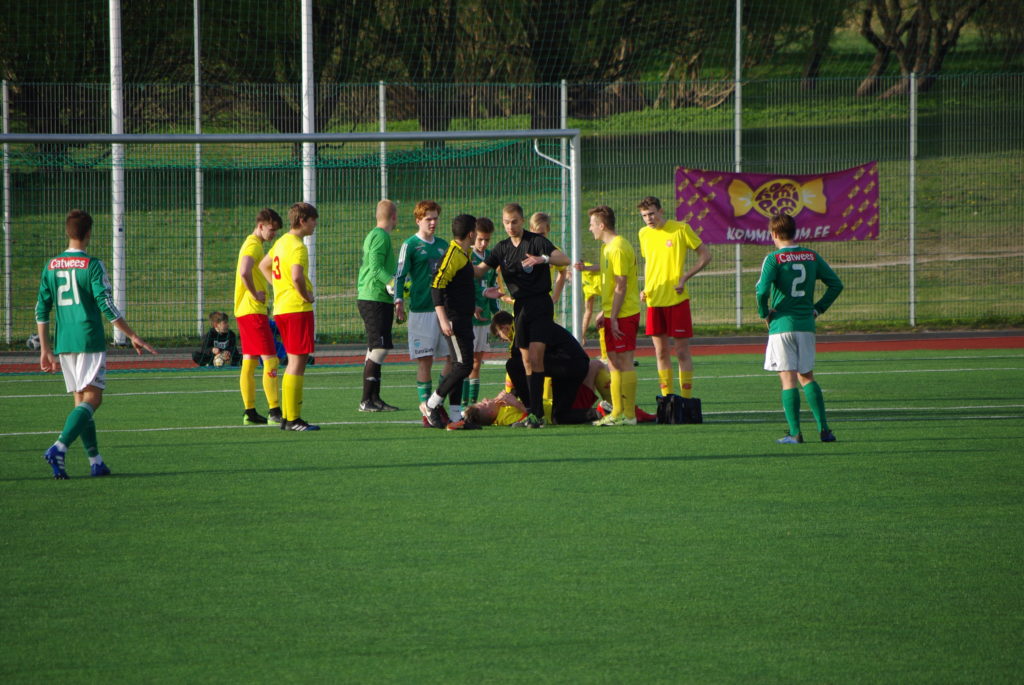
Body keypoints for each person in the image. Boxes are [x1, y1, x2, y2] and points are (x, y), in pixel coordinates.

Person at [34, 209, 157, 479]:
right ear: (89, 233)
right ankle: (59, 447)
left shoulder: (51, 266)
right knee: (93, 398)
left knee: (80, 401)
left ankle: (95, 461)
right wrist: (132, 335)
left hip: (64, 341)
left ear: (67, 232)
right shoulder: (92, 265)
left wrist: (45, 349)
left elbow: (41, 309)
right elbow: (106, 304)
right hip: (88, 338)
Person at [465, 311, 656, 426]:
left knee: (515, 364)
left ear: (505, 328)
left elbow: (522, 373)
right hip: (571, 366)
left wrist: (522, 404)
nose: (484, 400)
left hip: (567, 365)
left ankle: (534, 411)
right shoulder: (529, 324)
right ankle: (615, 410)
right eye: (482, 404)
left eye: (502, 336)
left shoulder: (521, 337)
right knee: (561, 414)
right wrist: (512, 397)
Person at [475, 202, 570, 428]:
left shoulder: (536, 241)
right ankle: (533, 412)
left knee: (536, 357)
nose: (510, 226)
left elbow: (564, 259)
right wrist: (457, 259)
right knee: (526, 360)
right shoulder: (502, 248)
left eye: (514, 222)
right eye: (506, 223)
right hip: (520, 308)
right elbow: (479, 270)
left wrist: (543, 259)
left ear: (522, 221)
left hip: (540, 304)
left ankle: (538, 414)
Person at [755, 212, 844, 444]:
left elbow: (762, 291)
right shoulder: (811, 256)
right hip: (806, 324)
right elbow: (836, 284)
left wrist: (764, 313)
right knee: (807, 376)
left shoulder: (773, 259)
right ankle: (825, 430)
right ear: (794, 232)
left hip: (782, 325)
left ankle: (795, 433)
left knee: (788, 379)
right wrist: (818, 308)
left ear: (774, 233)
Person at [636, 196, 712, 398]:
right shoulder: (643, 233)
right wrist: (645, 288)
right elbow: (650, 262)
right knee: (660, 352)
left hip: (677, 300)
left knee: (681, 352)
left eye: (651, 213)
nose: (649, 218)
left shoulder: (681, 229)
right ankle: (667, 398)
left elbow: (706, 255)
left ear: (661, 211)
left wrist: (685, 277)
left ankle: (685, 399)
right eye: (644, 215)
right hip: (654, 301)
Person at [576, 206, 641, 426]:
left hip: (624, 313)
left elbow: (621, 285)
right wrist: (586, 268)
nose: (590, 228)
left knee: (625, 361)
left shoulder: (619, 247)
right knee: (612, 362)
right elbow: (608, 274)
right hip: (613, 312)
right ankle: (617, 412)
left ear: (602, 225)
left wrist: (613, 317)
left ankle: (629, 415)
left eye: (592, 224)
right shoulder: (607, 248)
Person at [259, 201, 320, 431]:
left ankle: (287, 416)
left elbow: (264, 265)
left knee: (293, 362)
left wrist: (279, 287)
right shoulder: (297, 246)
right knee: (297, 362)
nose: (315, 225)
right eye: (313, 220)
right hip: (296, 309)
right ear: (302, 221)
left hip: (282, 309)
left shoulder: (282, 241)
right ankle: (293, 419)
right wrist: (305, 295)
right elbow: (296, 276)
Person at [393, 200, 453, 421]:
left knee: (453, 358)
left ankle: (434, 403)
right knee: (425, 360)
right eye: (428, 219)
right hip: (421, 311)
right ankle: (428, 411)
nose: (433, 222)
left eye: (435, 218)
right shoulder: (410, 245)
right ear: (418, 220)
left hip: (443, 311)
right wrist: (398, 299)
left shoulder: (444, 245)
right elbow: (399, 275)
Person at [420, 214, 481, 430]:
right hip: (453, 319)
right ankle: (431, 404)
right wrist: (443, 318)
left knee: (460, 365)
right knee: (464, 365)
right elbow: (436, 285)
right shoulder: (453, 254)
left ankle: (455, 418)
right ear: (471, 234)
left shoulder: (463, 253)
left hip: (463, 317)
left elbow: (459, 286)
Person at [234, 208, 284, 426]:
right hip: (252, 310)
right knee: (270, 360)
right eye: (271, 230)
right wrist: (255, 293)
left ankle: (250, 412)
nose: (273, 234)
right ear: (261, 226)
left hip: (245, 311)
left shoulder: (252, 243)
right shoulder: (253, 245)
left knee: (250, 360)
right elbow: (244, 271)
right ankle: (274, 411)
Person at [356, 199, 401, 412]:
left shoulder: (377, 235)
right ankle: (366, 400)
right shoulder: (380, 236)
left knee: (375, 348)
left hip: (378, 297)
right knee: (380, 348)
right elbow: (375, 268)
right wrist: (393, 283)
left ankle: (374, 398)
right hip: (374, 297)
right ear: (394, 217)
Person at [464, 216, 500, 407]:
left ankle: (472, 403)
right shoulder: (467, 256)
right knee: (465, 362)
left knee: (477, 362)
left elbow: (493, 285)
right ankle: (462, 403)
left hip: (484, 317)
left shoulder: (491, 257)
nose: (484, 243)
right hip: (468, 316)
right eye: (480, 239)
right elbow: (466, 285)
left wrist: (496, 313)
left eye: (487, 239)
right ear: (473, 236)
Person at [529, 212, 568, 304]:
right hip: (524, 304)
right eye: (536, 234)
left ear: (548, 229)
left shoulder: (553, 252)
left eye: (542, 234)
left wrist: (555, 296)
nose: (539, 238)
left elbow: (563, 271)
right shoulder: (523, 249)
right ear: (530, 230)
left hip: (544, 304)